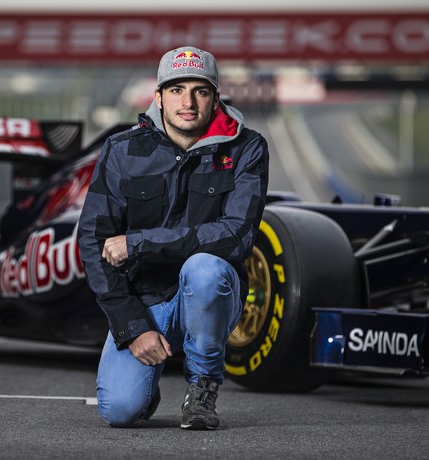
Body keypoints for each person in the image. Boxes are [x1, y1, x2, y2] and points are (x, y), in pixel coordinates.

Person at [77, 46, 269, 430]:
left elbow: (236, 235)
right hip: (146, 299)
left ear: (215, 98)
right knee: (120, 410)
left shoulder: (248, 148)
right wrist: (133, 327)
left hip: (212, 293)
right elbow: (92, 242)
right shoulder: (122, 150)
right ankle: (146, 385)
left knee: (204, 268)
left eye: (200, 90)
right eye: (177, 89)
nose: (188, 101)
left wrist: (140, 242)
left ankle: (202, 387)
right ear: (158, 97)